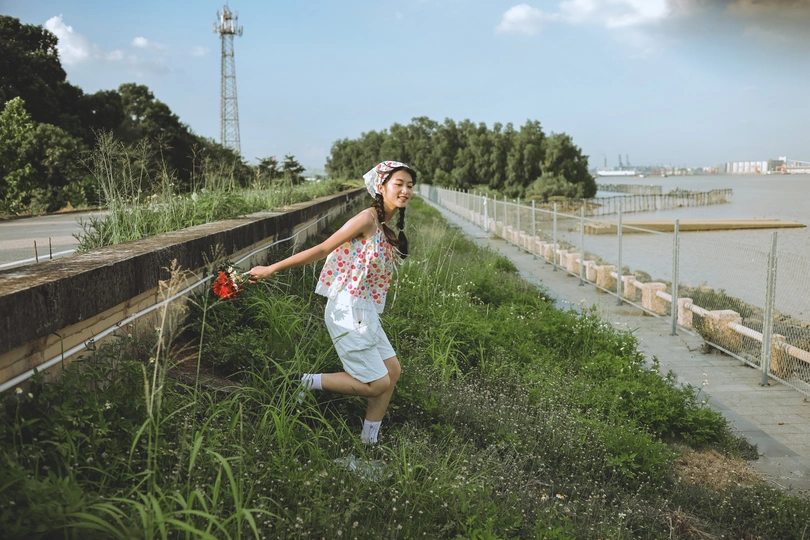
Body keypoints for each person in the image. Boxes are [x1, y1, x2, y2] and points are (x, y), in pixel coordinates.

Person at [247, 161, 416, 445]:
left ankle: (368, 442)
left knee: (393, 372)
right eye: (398, 183)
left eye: (409, 185)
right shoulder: (366, 220)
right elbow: (323, 248)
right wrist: (270, 269)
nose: (405, 190)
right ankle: (306, 381)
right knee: (378, 383)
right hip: (348, 309)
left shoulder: (385, 226)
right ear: (381, 186)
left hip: (365, 311)